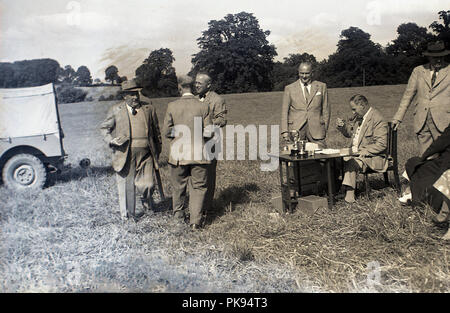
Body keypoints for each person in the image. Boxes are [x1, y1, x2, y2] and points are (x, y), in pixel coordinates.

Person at [392, 40, 450, 204]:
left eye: (440, 57)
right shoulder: (418, 71)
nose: (437, 61)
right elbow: (407, 95)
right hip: (422, 122)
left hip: (444, 123)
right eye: (434, 58)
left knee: (444, 161)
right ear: (428, 57)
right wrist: (398, 117)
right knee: (425, 160)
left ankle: (443, 198)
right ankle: (424, 194)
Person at [100, 79, 162, 221]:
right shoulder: (116, 110)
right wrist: (111, 140)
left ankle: (147, 204)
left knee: (148, 184)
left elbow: (156, 131)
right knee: (126, 186)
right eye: (131, 94)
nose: (135, 97)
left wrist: (157, 151)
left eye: (136, 93)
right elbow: (104, 128)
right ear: (124, 96)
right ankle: (127, 216)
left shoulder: (148, 108)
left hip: (146, 154)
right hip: (125, 154)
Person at [163, 75, 212, 230]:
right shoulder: (203, 106)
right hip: (199, 154)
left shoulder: (172, 106)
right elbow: (209, 132)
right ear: (193, 87)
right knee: (198, 187)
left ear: (180, 87)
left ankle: (178, 218)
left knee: (178, 187)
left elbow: (166, 132)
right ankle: (195, 222)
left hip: (178, 155)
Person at [336, 94, 388, 203]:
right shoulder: (359, 118)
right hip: (355, 152)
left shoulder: (377, 118)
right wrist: (342, 127)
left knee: (351, 162)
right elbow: (350, 134)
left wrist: (364, 151)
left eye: (354, 109)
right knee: (333, 160)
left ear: (362, 105)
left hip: (373, 156)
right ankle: (338, 189)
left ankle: (349, 196)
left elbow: (382, 144)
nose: (353, 112)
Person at [403, 124, 450, 240]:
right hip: (443, 161)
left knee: (416, 164)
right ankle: (423, 201)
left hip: (446, 162)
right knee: (415, 163)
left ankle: (423, 203)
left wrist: (424, 157)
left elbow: (440, 143)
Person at [194, 72, 227, 211]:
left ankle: (207, 207)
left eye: (199, 84)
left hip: (210, 142)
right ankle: (195, 206)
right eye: (195, 83)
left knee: (209, 175)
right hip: (194, 142)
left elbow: (223, 119)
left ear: (208, 85)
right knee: (196, 175)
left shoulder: (217, 99)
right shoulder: (193, 99)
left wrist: (207, 124)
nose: (196, 85)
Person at [281, 61, 330, 148]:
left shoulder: (322, 86)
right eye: (301, 73)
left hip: (317, 129)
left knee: (322, 156)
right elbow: (284, 111)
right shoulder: (289, 88)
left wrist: (324, 128)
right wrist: (285, 131)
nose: (304, 76)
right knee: (296, 156)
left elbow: (326, 109)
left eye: (307, 73)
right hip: (296, 129)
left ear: (312, 73)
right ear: (298, 72)